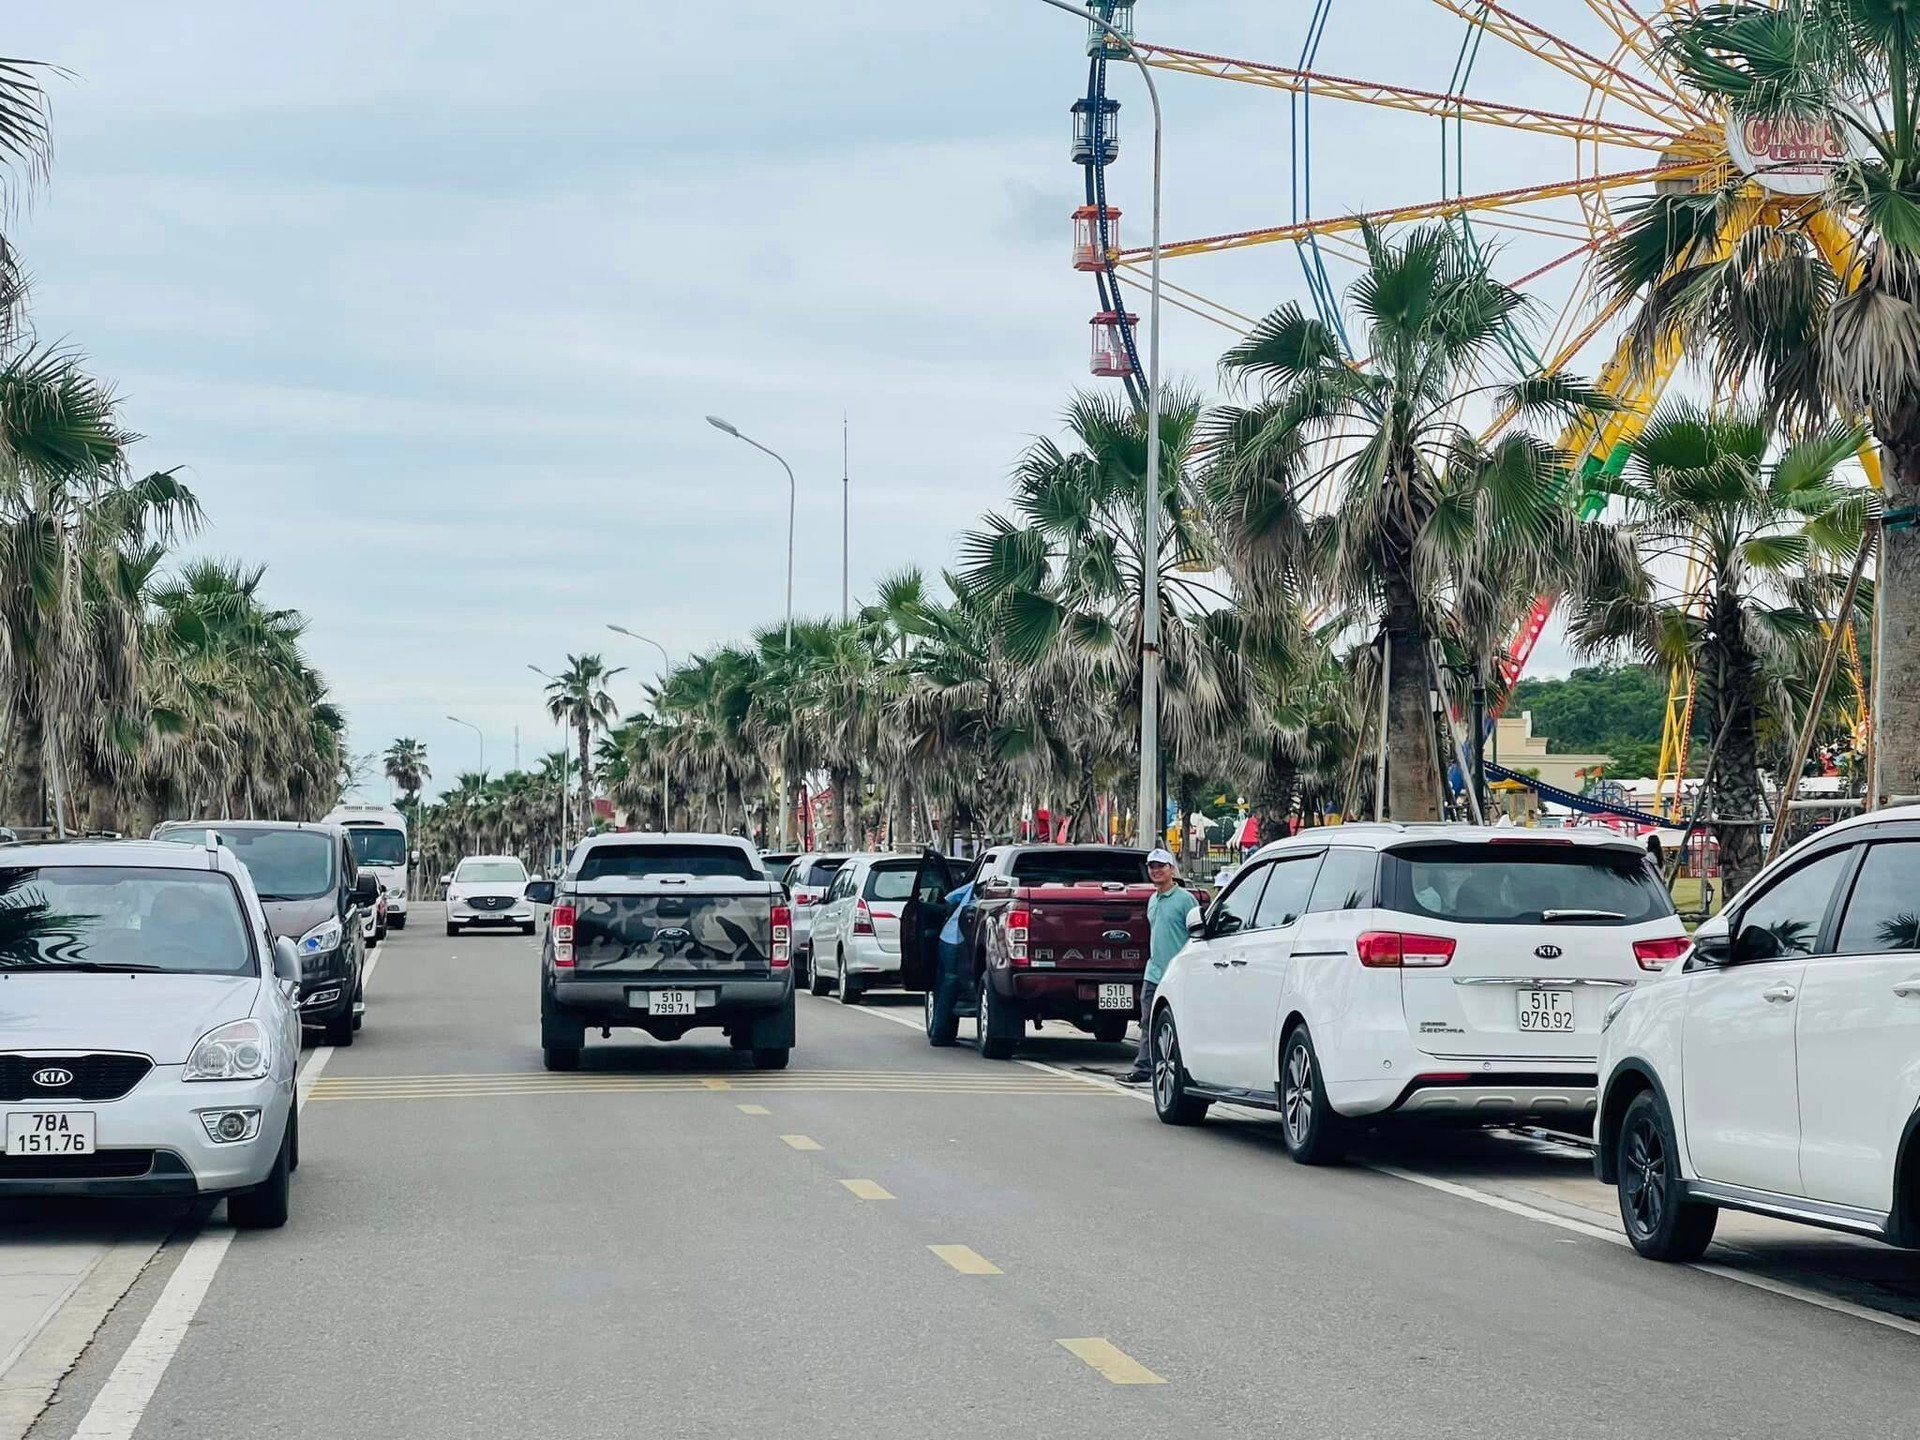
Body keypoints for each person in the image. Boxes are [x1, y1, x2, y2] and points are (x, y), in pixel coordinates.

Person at [1123, 847, 1199, 1085]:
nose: (1155, 871)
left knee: (1176, 1023)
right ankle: (1144, 1066)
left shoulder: (1186, 900)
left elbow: (1196, 934)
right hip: (1154, 973)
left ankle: (1179, 1069)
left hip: (1177, 975)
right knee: (1148, 1022)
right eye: (1151, 867)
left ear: (1171, 869)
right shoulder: (1152, 900)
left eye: (1160, 866)